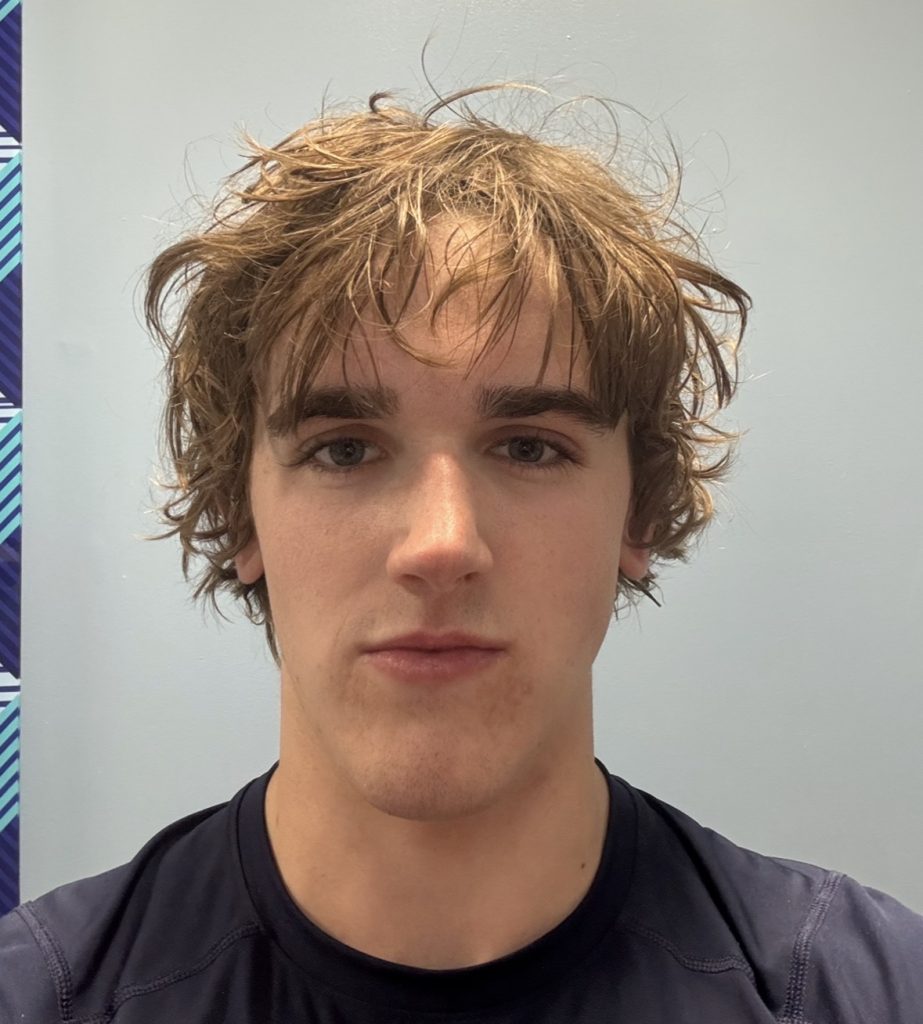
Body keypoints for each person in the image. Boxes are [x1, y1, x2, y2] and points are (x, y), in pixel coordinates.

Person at [2, 86, 921, 1022]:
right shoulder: (42, 996)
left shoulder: (860, 992)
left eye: (528, 447)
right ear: (241, 516)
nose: (441, 544)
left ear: (637, 512)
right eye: (343, 450)